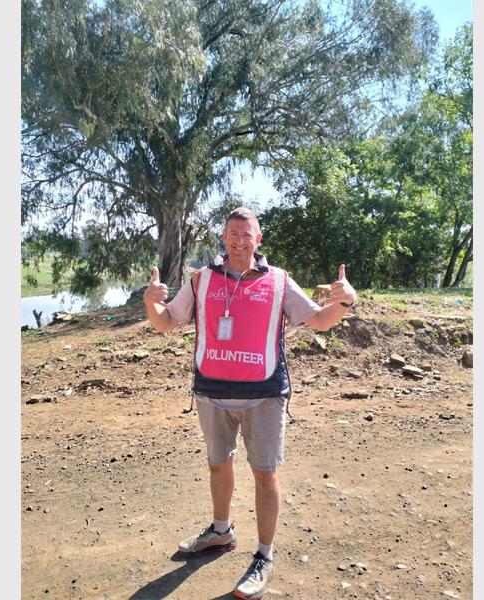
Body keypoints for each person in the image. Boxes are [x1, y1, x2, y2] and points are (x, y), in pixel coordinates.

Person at [143, 207, 357, 599]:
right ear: (223, 238)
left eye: (248, 235)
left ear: (259, 240)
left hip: (264, 396)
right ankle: (221, 533)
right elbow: (165, 322)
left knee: (264, 474)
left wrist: (345, 302)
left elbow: (319, 321)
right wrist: (151, 300)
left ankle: (264, 556)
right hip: (211, 393)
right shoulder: (201, 279)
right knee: (217, 464)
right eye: (233, 234)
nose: (240, 241)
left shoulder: (278, 281)